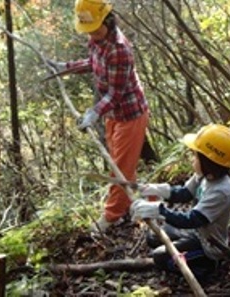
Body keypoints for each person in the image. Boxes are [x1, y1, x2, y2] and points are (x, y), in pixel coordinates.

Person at [48, 0, 149, 233]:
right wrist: (64, 67)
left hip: (130, 114)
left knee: (119, 168)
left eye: (95, 28)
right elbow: (93, 63)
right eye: (89, 29)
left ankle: (111, 216)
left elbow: (116, 93)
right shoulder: (96, 39)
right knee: (121, 161)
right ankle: (129, 205)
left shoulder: (119, 48)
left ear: (107, 20)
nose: (91, 34)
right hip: (113, 113)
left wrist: (93, 112)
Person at [130, 124, 230, 280]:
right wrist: (157, 190)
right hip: (196, 233)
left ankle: (206, 268)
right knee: (153, 237)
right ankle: (185, 254)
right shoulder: (205, 175)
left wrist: (159, 211)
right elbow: (184, 193)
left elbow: (192, 220)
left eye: (195, 156)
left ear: (208, 161)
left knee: (159, 257)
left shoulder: (220, 191)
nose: (192, 159)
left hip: (208, 245)